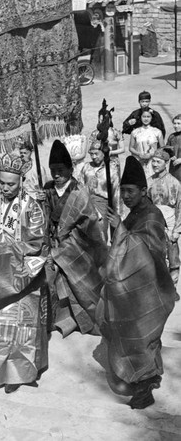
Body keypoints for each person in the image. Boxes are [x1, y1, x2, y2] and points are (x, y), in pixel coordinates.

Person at [99, 156, 175, 409]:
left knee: (142, 336)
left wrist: (120, 231)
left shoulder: (151, 216)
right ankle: (147, 375)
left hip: (149, 288)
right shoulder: (135, 213)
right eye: (122, 191)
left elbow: (147, 250)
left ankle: (144, 387)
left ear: (144, 191)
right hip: (133, 288)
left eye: (131, 191)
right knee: (137, 336)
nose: (126, 196)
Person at [0, 152, 48, 393]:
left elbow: (37, 241)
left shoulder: (32, 207)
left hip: (22, 276)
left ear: (21, 181)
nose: (5, 188)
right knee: (0, 327)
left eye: (11, 184)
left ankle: (21, 373)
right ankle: (0, 371)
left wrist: (7, 248)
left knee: (23, 327)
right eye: (1, 183)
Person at [36, 140, 107, 337]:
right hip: (51, 241)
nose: (56, 175)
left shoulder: (79, 192)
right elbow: (42, 218)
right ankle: (58, 319)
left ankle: (81, 319)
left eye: (60, 170)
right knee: (47, 277)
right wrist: (40, 203)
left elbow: (89, 223)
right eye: (52, 171)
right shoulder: (47, 188)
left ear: (71, 168)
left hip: (75, 243)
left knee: (76, 283)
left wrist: (66, 243)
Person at [148, 147, 181, 301]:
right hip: (154, 222)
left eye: (158, 161)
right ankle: (157, 290)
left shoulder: (175, 183)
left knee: (172, 256)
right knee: (156, 256)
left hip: (170, 222)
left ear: (166, 163)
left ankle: (172, 289)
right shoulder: (149, 181)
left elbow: (180, 207)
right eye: (153, 161)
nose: (154, 164)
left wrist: (177, 230)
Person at [79, 140, 121, 242]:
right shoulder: (86, 167)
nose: (93, 157)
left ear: (104, 153)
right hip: (86, 205)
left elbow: (116, 193)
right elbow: (80, 185)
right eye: (91, 154)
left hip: (103, 206)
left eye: (96, 154)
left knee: (100, 233)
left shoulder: (111, 169)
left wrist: (117, 213)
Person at [129, 107, 164, 177]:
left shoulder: (157, 131)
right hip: (139, 160)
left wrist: (152, 154)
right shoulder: (135, 132)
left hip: (152, 162)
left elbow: (162, 148)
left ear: (151, 118)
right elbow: (131, 148)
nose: (146, 119)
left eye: (148, 117)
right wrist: (139, 154)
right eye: (144, 116)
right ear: (140, 118)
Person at [166, 114, 181, 182]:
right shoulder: (172, 136)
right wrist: (170, 155)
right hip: (174, 170)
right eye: (174, 123)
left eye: (179, 123)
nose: (176, 126)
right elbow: (167, 149)